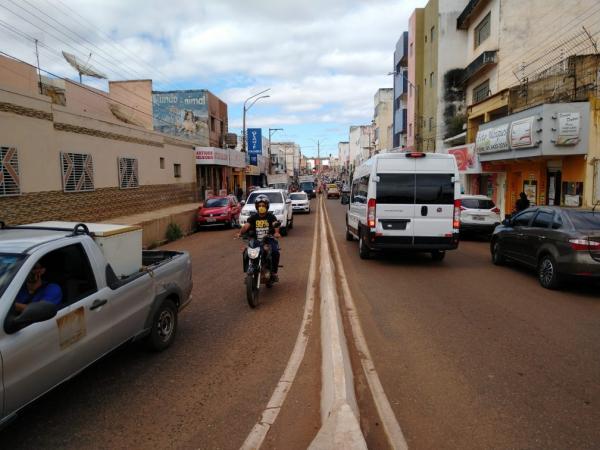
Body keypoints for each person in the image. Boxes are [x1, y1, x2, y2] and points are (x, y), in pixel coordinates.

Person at [238, 194, 282, 282]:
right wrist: (240, 233)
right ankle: (249, 270)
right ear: (257, 207)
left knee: (275, 252)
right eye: (259, 206)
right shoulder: (253, 217)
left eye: (263, 205)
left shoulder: (270, 216)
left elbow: (275, 224)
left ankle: (273, 272)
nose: (261, 207)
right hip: (256, 240)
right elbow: (246, 226)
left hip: (269, 239)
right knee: (246, 252)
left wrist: (277, 232)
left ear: (267, 206)